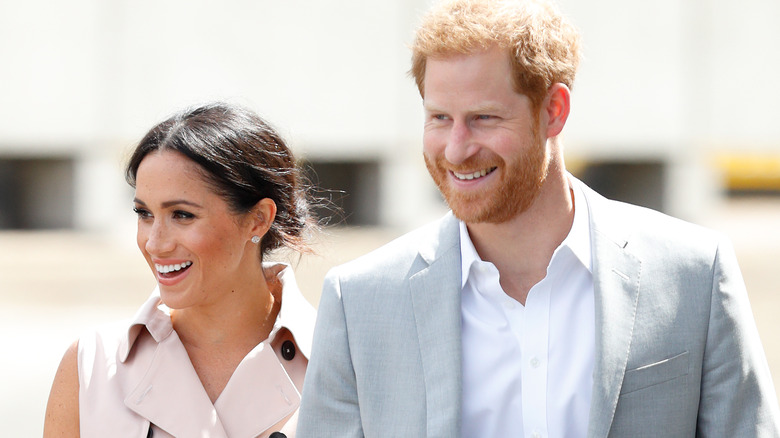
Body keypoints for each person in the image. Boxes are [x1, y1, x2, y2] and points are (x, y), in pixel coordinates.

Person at [297, 0, 780, 436]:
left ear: (554, 110)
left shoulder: (694, 273)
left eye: (484, 118)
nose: (457, 149)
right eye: (439, 118)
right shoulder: (359, 301)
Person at [44, 102, 317, 438]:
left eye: (182, 215)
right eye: (144, 214)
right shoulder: (91, 366)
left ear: (258, 219)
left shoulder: (337, 361)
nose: (155, 244)